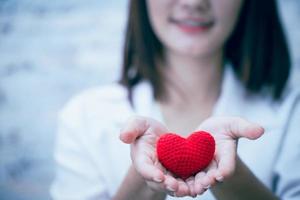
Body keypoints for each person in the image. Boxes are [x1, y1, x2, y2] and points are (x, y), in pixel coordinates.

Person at [51, 0, 300, 199]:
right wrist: (143, 183)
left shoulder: (293, 111)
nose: (193, 2)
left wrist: (232, 177)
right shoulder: (83, 116)